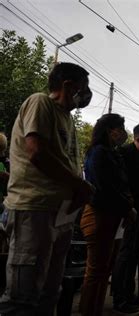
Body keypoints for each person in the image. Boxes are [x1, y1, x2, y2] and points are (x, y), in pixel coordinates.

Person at [0, 62, 94, 315]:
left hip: (60, 214)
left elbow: (69, 163)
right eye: (84, 87)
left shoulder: (68, 119)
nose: (86, 93)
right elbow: (36, 152)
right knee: (22, 297)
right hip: (34, 209)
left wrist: (78, 190)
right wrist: (80, 185)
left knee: (49, 293)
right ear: (68, 85)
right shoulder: (40, 102)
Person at [79, 113, 136, 316]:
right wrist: (127, 207)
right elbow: (105, 187)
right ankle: (88, 311)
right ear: (110, 130)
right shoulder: (98, 152)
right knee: (95, 271)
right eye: (120, 128)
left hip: (114, 216)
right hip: (99, 214)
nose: (122, 133)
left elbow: (122, 184)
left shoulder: (112, 153)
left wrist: (128, 204)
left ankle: (96, 310)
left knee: (104, 270)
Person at [112, 124, 139, 313]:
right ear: (138, 137)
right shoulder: (124, 153)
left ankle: (130, 296)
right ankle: (119, 299)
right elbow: (120, 182)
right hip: (128, 209)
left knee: (136, 253)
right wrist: (127, 206)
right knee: (126, 253)